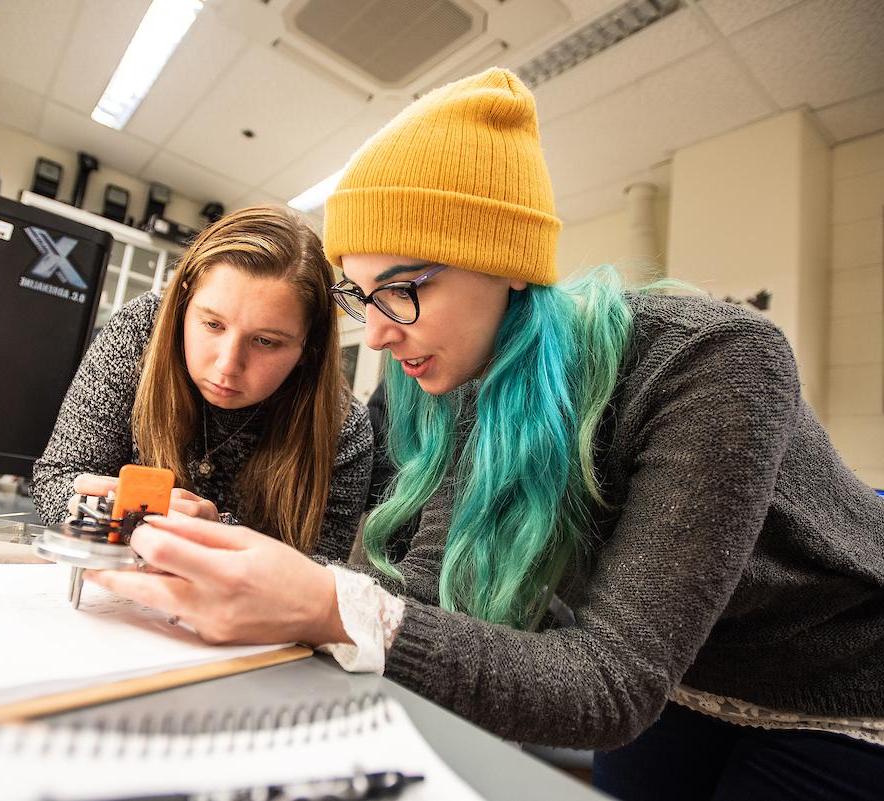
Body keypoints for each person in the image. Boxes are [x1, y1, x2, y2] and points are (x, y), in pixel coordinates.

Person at [86, 70, 884, 799]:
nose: (382, 332)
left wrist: (327, 604)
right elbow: (420, 601)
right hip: (678, 682)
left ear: (505, 262)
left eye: (403, 289)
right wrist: (249, 567)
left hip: (833, 688)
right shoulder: (454, 378)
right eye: (364, 296)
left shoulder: (712, 359)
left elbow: (609, 681)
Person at [32, 205, 372, 560]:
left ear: (309, 347)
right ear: (183, 303)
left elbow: (324, 574)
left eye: (266, 341)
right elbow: (58, 477)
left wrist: (216, 535)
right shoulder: (140, 332)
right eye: (212, 325)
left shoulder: (342, 426)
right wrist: (108, 514)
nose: (228, 365)